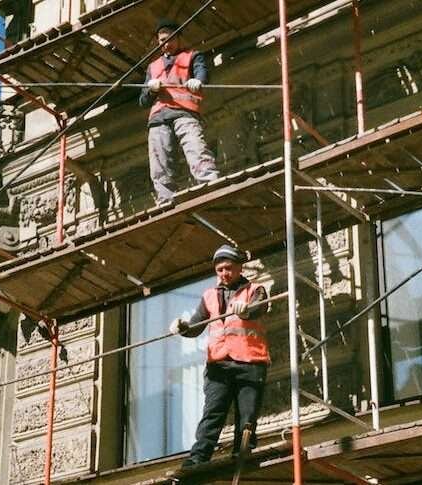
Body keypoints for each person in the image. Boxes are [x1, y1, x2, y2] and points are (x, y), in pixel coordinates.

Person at [168, 244, 271, 467]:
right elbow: (197, 325)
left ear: (239, 267)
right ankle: (198, 458)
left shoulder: (255, 289)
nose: (224, 273)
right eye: (220, 269)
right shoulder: (209, 296)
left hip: (250, 362)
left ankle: (242, 453)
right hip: (219, 364)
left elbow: (260, 306)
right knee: (213, 413)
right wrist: (183, 327)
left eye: (228, 268)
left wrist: (248, 309)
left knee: (247, 415)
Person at [138, 18, 219, 204]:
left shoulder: (192, 56)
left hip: (184, 112)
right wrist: (151, 90)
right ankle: (165, 197)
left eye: (170, 38)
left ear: (179, 37)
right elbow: (143, 101)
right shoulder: (153, 66)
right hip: (159, 117)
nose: (166, 44)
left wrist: (198, 81)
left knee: (195, 147)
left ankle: (208, 179)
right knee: (159, 160)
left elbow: (202, 73)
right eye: (161, 41)